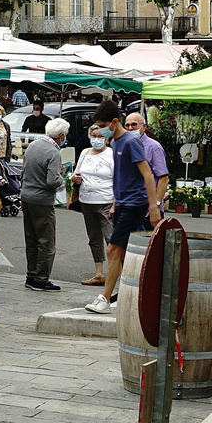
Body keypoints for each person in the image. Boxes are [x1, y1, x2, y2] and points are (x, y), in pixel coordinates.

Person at [84, 98, 159, 315]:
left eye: (101, 125)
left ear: (114, 121)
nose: (99, 130)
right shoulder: (115, 143)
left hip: (135, 203)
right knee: (123, 252)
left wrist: (153, 207)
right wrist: (116, 202)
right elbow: (121, 176)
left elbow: (148, 174)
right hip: (123, 202)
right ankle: (132, 294)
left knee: (112, 249)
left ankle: (105, 298)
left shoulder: (130, 142)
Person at [20, 118, 68, 292]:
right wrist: (64, 178)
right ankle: (41, 279)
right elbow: (52, 181)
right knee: (46, 242)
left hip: (26, 197)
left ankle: (31, 275)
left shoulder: (33, 146)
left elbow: (24, 171)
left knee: (31, 239)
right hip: (42, 200)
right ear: (61, 135)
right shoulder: (53, 152)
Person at [71, 124, 115, 287]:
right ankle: (98, 274)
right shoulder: (84, 153)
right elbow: (76, 172)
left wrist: (114, 204)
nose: (96, 139)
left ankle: (114, 272)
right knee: (94, 238)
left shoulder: (111, 155)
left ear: (107, 138)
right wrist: (74, 179)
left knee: (110, 238)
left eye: (100, 136)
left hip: (105, 201)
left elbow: (118, 180)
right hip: (86, 201)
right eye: (94, 136)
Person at [121, 111, 170, 208]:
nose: (130, 128)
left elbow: (163, 178)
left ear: (144, 126)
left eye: (134, 124)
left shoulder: (154, 147)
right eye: (127, 125)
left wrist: (156, 204)